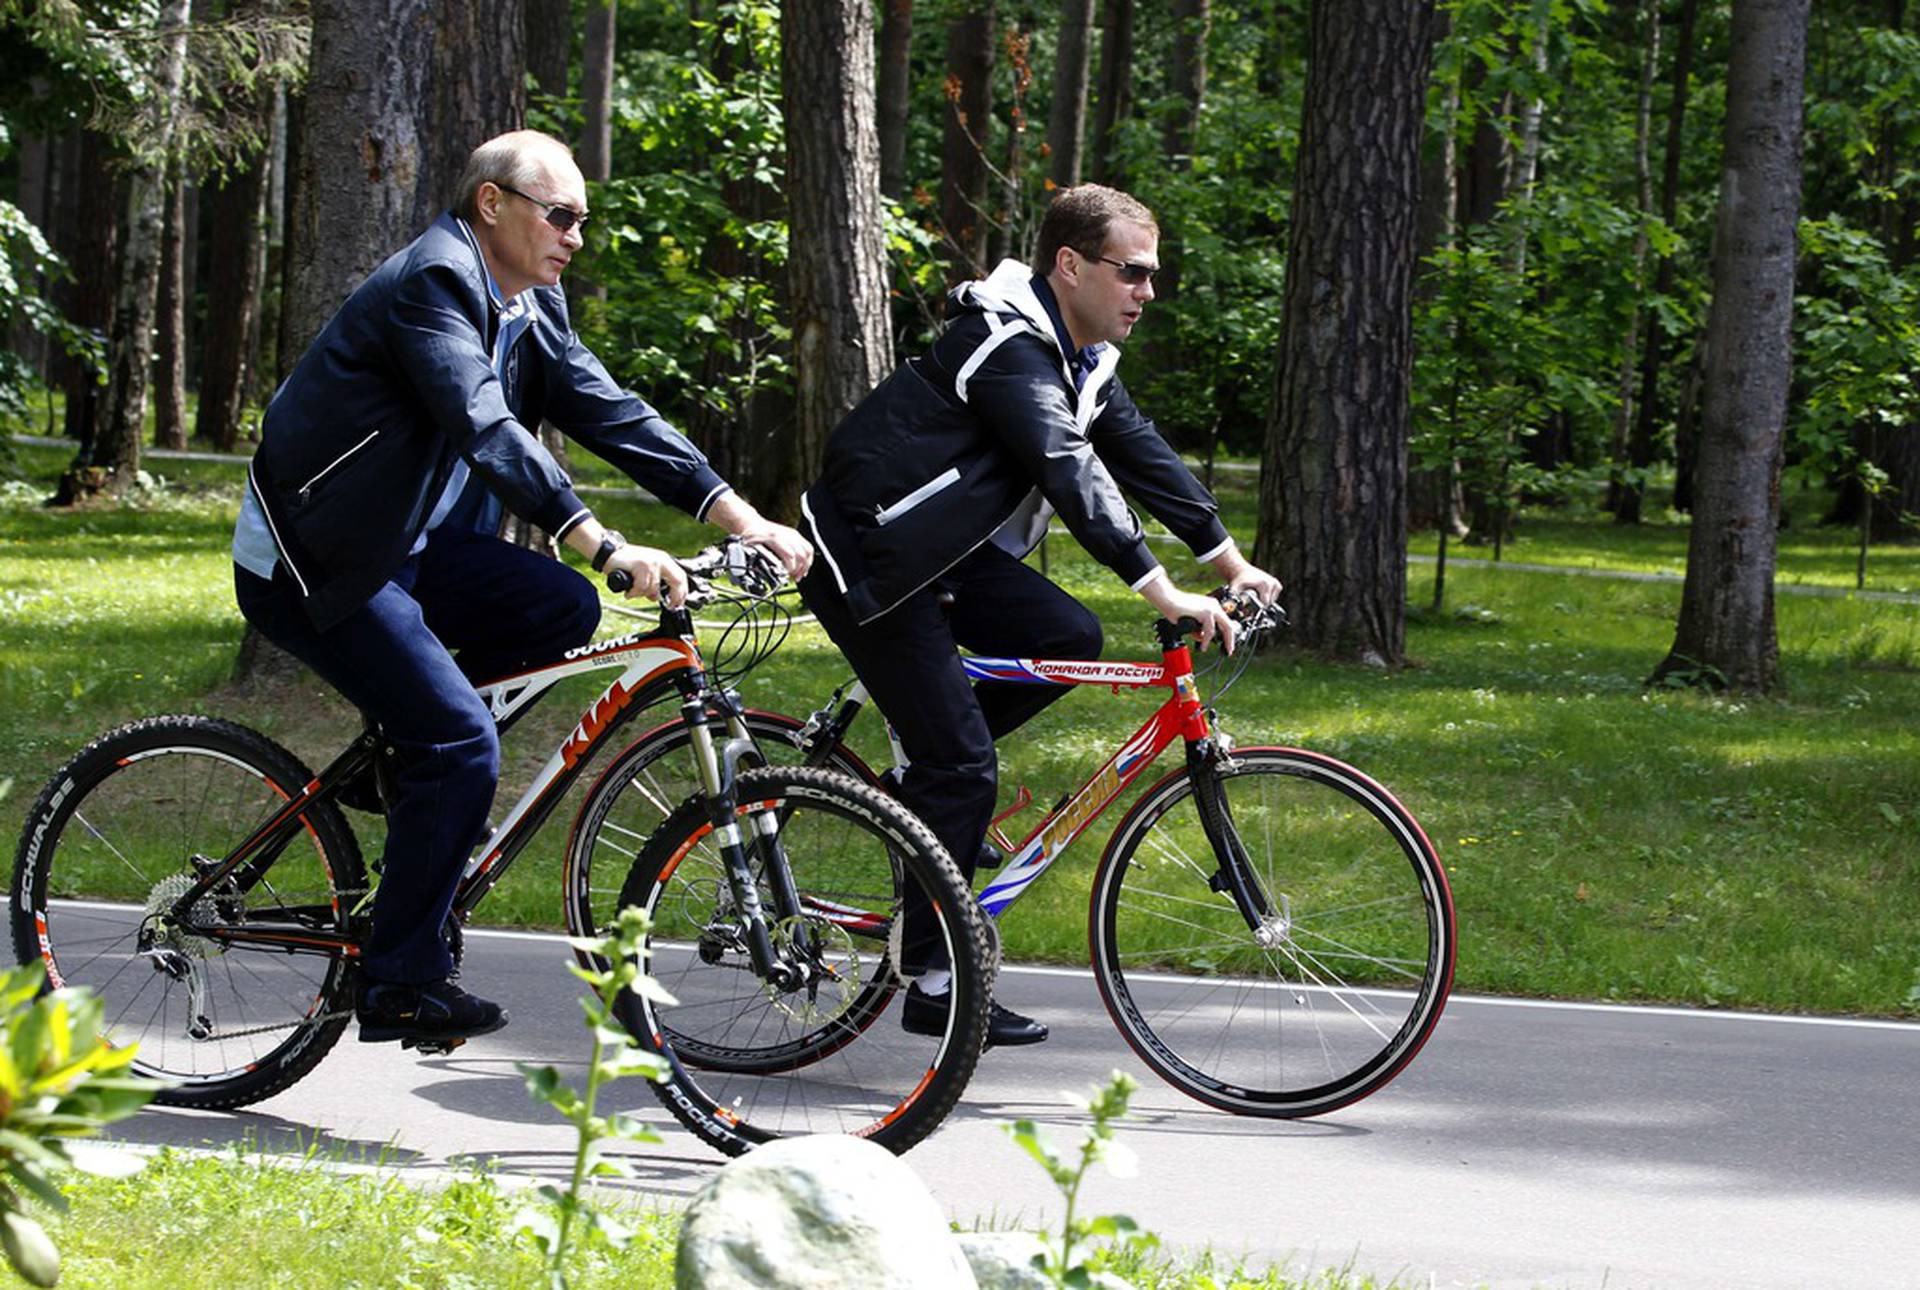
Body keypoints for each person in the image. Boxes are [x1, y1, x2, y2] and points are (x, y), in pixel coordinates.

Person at [232, 130, 811, 1046]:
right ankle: (399, 982)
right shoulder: (434, 281)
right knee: (462, 743)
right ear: (491, 204)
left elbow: (611, 409)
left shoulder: (531, 302)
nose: (576, 236)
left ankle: (410, 773)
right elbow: (481, 420)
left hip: (410, 546)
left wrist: (742, 517)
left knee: (562, 609)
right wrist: (600, 540)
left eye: (584, 219)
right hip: (320, 557)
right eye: (561, 214)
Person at [797, 184, 1281, 1048]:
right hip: (873, 558)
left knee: (1066, 637)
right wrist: (1160, 588)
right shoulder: (1005, 345)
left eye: (1152, 275)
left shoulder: (1084, 360)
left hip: (941, 551)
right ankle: (934, 978)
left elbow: (1139, 454)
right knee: (963, 766)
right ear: (1070, 265)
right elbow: (1067, 465)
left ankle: (926, 781)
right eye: (1132, 272)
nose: (1147, 291)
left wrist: (1229, 559)